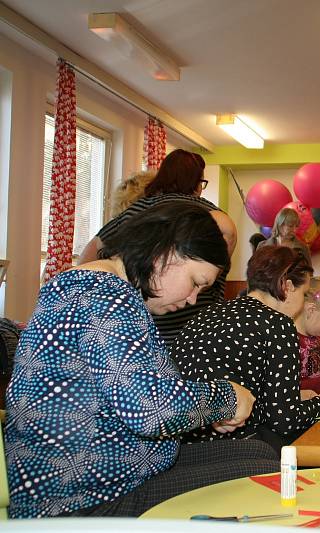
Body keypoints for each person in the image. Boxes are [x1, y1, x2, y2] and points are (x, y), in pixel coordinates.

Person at [4, 203, 271, 518]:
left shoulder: (99, 288)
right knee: (262, 472)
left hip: (108, 475)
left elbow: (135, 394)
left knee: (262, 453)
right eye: (197, 281)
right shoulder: (103, 294)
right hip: (79, 502)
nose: (192, 299)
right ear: (165, 253)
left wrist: (200, 411)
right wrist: (226, 397)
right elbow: (150, 409)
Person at [172, 246, 320, 450]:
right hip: (229, 447)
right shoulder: (278, 324)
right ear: (287, 287)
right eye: (304, 293)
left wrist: (294, 398)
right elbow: (285, 421)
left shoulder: (209, 313)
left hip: (182, 441)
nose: (303, 302)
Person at [77, 149, 237, 348]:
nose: (192, 298)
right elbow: (227, 233)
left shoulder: (136, 210)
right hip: (198, 332)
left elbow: (88, 256)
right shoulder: (210, 214)